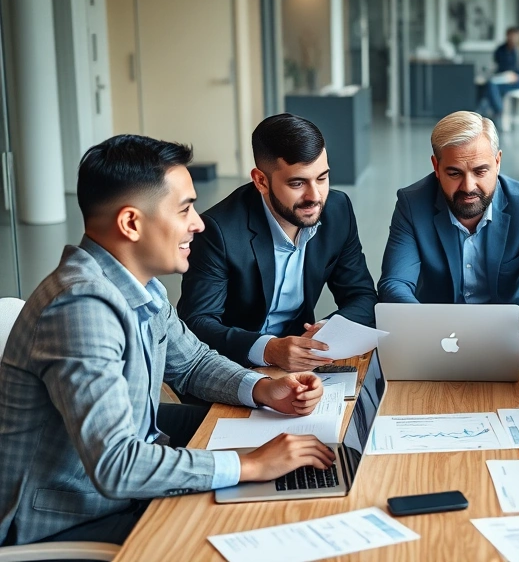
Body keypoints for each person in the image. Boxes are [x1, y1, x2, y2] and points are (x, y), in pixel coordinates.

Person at [0, 135, 336, 546]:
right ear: (131, 223)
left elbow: (191, 362)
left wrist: (264, 389)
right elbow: (116, 466)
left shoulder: (139, 285)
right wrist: (247, 465)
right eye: (184, 209)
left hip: (110, 490)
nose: (198, 223)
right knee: (254, 526)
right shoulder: (80, 308)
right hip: (63, 520)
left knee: (284, 465)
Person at [179, 114, 377, 372]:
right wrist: (269, 349)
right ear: (261, 181)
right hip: (233, 365)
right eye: (297, 183)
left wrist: (329, 330)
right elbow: (196, 322)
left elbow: (362, 295)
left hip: (300, 362)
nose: (315, 197)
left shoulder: (338, 210)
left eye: (322, 178)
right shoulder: (219, 230)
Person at [378, 110, 519, 339]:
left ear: (497, 162)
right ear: (436, 167)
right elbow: (394, 283)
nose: (468, 187)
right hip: (438, 338)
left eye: (480, 171)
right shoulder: (412, 204)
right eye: (454, 173)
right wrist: (426, 326)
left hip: (512, 336)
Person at [484, 30, 519, 118]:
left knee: (493, 85)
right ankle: (497, 109)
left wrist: (517, 76)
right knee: (493, 85)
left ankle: (499, 110)